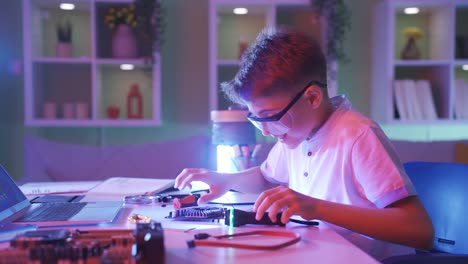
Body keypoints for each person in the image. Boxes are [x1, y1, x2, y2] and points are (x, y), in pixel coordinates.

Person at [174, 27, 434, 260]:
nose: (265, 130)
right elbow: (266, 177)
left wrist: (316, 207)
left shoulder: (358, 136)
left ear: (312, 97)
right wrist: (226, 180)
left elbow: (419, 230)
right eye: (256, 119)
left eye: (271, 117)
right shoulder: (297, 133)